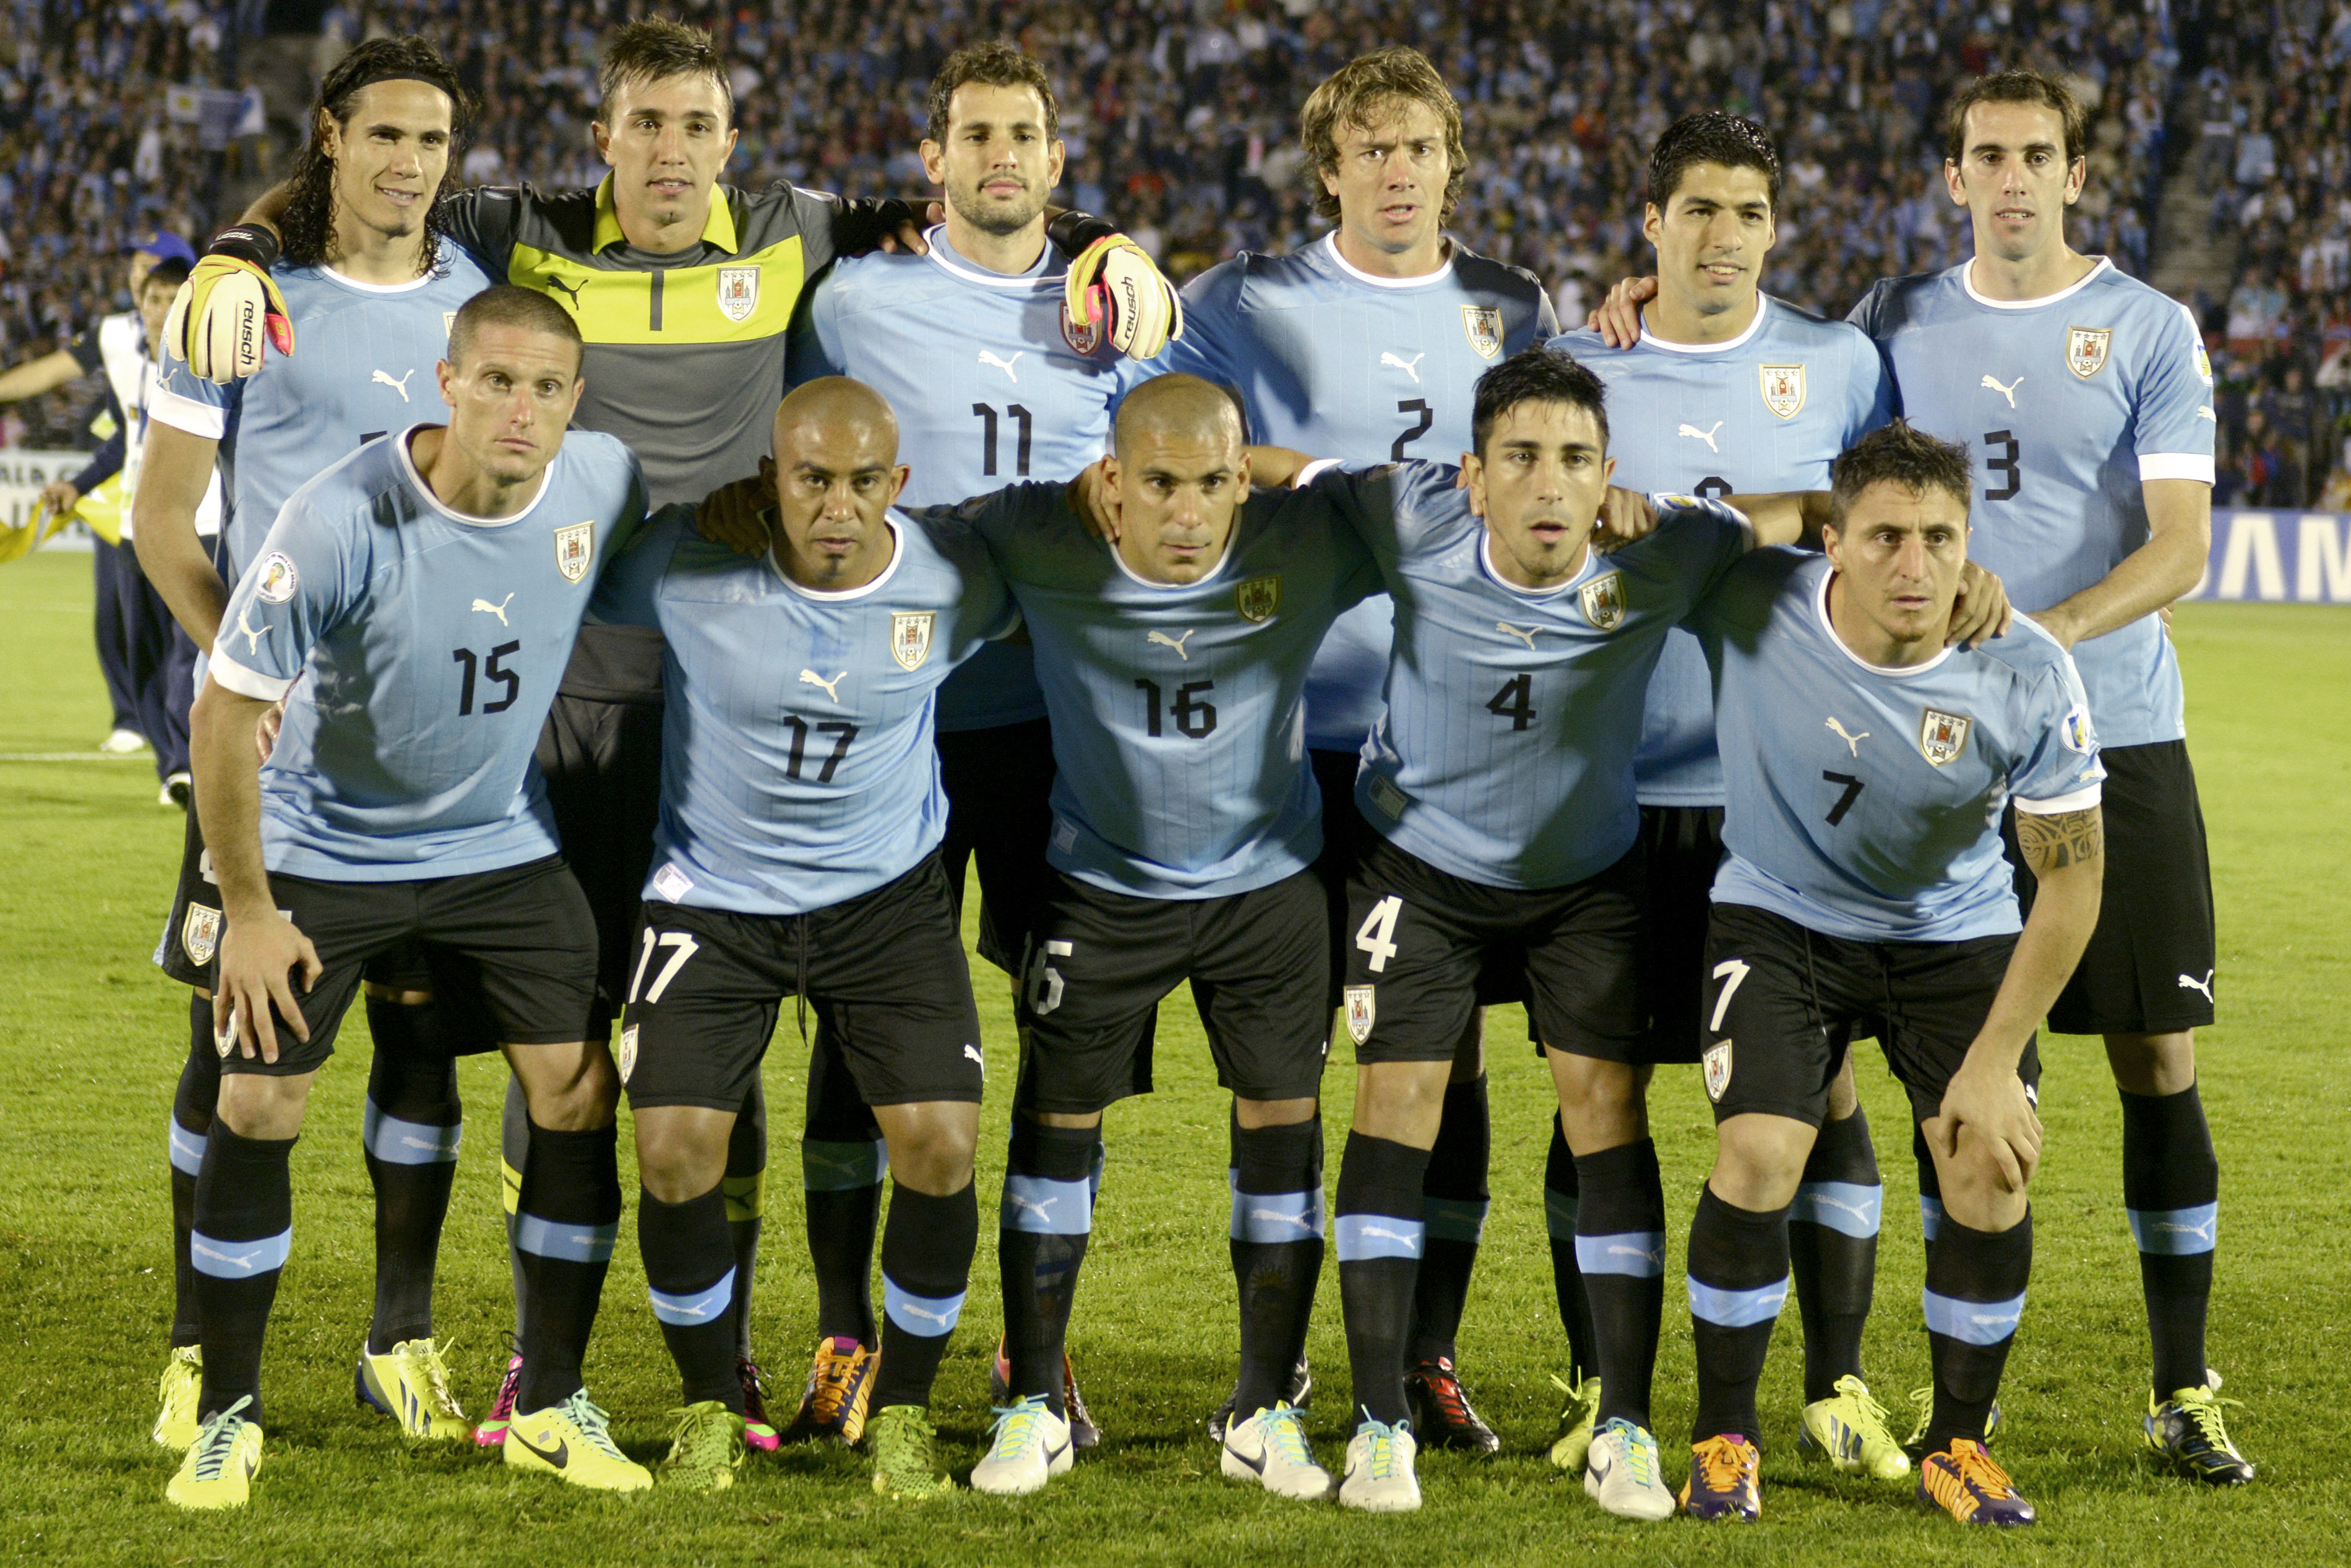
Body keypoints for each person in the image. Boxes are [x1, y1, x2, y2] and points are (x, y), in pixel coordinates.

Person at [175, 20, 1180, 1441]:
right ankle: (547, 1358)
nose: (668, 149)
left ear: (729, 138)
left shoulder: (796, 234)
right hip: (576, 699)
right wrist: (230, 246)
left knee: (772, 1027)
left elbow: (982, 203)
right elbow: (344, 204)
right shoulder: (514, 228)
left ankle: (838, 1349)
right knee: (578, 1042)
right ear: (603, 136)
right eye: (642, 122)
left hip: (754, 688)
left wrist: (1103, 238)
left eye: (694, 123)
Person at [1302, 349, 2007, 1515]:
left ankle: (1624, 1420)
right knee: (1397, 1103)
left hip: (1586, 878)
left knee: (1606, 1108)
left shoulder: (1665, 546)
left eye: (1575, 461)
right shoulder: (1406, 511)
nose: (1547, 485)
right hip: (1419, 867)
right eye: (1521, 459)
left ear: (1609, 477)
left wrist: (1961, 575)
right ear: (1472, 476)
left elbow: (1823, 519)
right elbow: (1275, 479)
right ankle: (1382, 1425)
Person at [166, 285, 650, 1509]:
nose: (521, 408)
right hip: (328, 850)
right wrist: (250, 906)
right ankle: (228, 1413)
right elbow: (222, 712)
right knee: (260, 1093)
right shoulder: (339, 514)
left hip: (497, 847)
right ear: (447, 383)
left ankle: (546, 1404)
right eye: (496, 381)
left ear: (574, 403)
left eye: (547, 388)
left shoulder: (601, 483)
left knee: (576, 1089)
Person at [1843, 72, 2253, 1484]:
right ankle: (1956, 1397)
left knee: (2155, 1060)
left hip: (2115, 736)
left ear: (2074, 174)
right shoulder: (1888, 325)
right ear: (1947, 177)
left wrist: (2041, 637)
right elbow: (1791, 453)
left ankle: (2180, 1386)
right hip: (1935, 754)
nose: (2008, 177)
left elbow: (2180, 545)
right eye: (1982, 156)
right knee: (1966, 1071)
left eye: (2034, 155)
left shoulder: (2144, 327)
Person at [1156, 45, 1557, 1449]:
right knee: (1277, 1055)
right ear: (1327, 166)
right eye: (1368, 149)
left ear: (1453, 163)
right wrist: (1328, 477)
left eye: (1417, 148)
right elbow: (1175, 442)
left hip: (1447, 738)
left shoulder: (1510, 307)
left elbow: (1554, 457)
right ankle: (1267, 1369)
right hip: (1278, 731)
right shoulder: (1246, 297)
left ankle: (1425, 1351)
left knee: (1441, 1056)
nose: (1394, 171)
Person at [775, 41, 1147, 1449]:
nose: (1001, 153)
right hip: (888, 720)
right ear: (927, 159)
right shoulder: (856, 295)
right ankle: (841, 1336)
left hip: (1056, 729)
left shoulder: (1115, 310)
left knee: (1068, 1038)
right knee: (854, 1026)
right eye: (974, 132)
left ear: (1058, 161)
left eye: (1025, 134)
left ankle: (1033, 1356)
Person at [134, 36, 500, 1457]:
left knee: (423, 1050)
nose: (410, 164)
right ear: (333, 136)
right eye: (387, 136)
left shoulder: (483, 308)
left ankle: (398, 1341)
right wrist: (244, 660)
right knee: (237, 1045)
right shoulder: (244, 302)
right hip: (270, 761)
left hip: (434, 751)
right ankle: (190, 1348)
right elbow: (163, 520)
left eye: (433, 142)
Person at [1546, 111, 1906, 1497]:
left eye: (1747, 211)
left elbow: (1879, 515)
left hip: (1781, 786)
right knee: (1602, 1087)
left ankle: (1834, 1382)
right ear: (1650, 223)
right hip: (1621, 789)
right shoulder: (1581, 370)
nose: (1722, 236)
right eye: (1696, 209)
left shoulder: (1834, 362)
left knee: (1820, 1083)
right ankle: (1606, 1383)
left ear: (1774, 225)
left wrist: (1728, 513)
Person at [958, 375, 1378, 1504]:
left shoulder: (1303, 538)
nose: (1187, 514)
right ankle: (1033, 1401)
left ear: (1244, 481)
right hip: (1098, 888)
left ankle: (1264, 1412)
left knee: (1284, 1137)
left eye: (1211, 485)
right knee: (1054, 1134)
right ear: (1109, 483)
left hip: (1270, 894)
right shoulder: (1035, 533)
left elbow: (1433, 515)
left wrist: (1305, 472)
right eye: (1158, 484)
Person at [1678, 421, 2105, 1529]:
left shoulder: (2027, 667)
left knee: (1987, 1168)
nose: (1913, 567)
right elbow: (1676, 530)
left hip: (1953, 939)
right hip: (1779, 918)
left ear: (1971, 543)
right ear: (1833, 540)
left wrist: (1997, 1063)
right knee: (1762, 1152)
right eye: (1883, 538)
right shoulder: (1754, 601)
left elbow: (2072, 885)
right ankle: (1725, 1436)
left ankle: (1957, 1447)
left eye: (1938, 538)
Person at [593, 379, 1015, 1497]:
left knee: (939, 1145)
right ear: (770, 478)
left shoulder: (957, 577)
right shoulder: (687, 565)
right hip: (712, 898)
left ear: (899, 485)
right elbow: (554, 582)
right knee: (675, 1151)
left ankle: (910, 1412)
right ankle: (705, 1409)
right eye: (811, 479)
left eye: (862, 482)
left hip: (884, 901)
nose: (836, 505)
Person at [0, 231, 202, 765]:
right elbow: (119, 425)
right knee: (122, 619)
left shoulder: (212, 338)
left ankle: (180, 755)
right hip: (127, 496)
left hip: (197, 507)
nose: (140, 276)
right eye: (138, 269)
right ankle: (138, 723)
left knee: (190, 639)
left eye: (153, 268)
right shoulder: (115, 336)